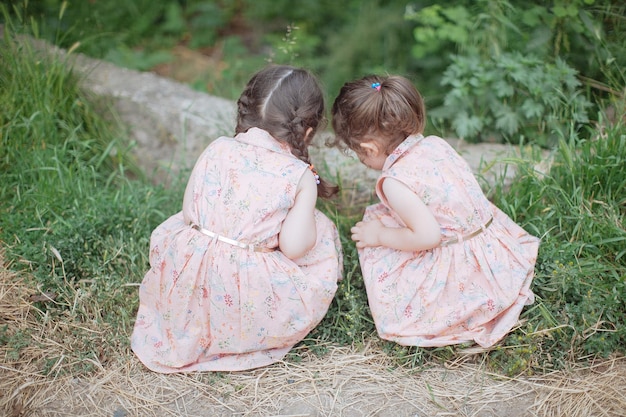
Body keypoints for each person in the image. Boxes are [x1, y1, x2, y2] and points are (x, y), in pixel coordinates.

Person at [131, 65, 343, 372]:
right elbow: (295, 248)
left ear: (246, 112)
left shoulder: (219, 147)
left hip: (189, 272)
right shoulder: (299, 175)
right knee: (320, 230)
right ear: (308, 131)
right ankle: (238, 331)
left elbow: (190, 212)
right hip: (244, 292)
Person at [331, 75, 539, 348]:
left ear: (368, 148)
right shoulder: (434, 144)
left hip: (463, 271)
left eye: (358, 154)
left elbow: (428, 237)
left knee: (378, 230)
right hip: (491, 249)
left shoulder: (395, 182)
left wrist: (380, 236)